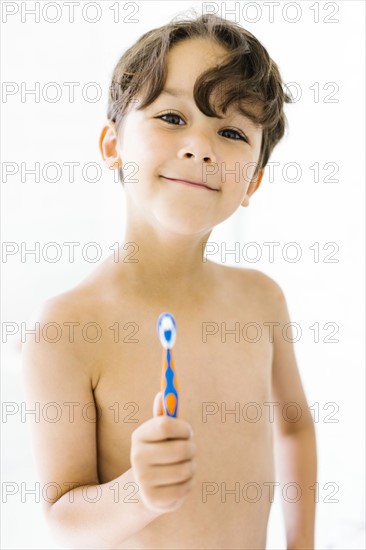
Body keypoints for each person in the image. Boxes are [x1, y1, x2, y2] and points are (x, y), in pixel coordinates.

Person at [22, 11, 317, 549]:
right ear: (112, 145)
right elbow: (62, 515)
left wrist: (302, 543)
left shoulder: (261, 300)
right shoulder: (66, 328)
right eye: (172, 118)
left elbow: (294, 427)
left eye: (230, 131)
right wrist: (139, 493)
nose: (200, 146)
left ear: (252, 179)